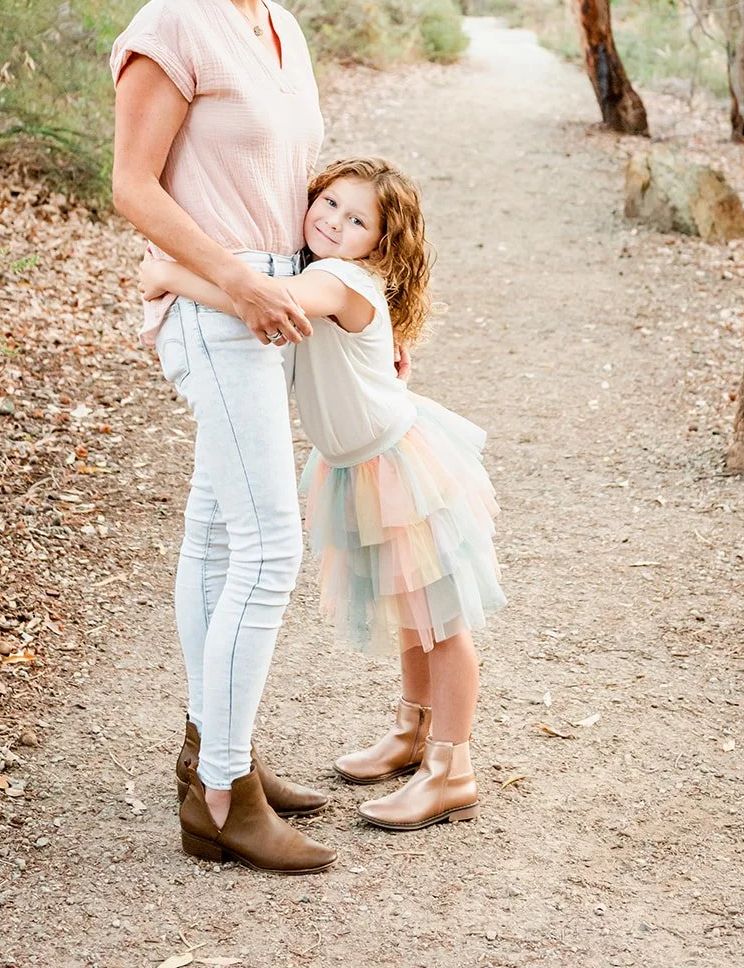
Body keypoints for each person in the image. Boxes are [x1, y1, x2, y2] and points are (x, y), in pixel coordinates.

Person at [142, 157, 506, 833]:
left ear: (381, 241)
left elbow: (264, 304)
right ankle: (412, 730)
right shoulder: (334, 273)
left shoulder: (336, 278)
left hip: (399, 466)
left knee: (441, 619)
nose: (335, 221)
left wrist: (169, 275)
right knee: (411, 609)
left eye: (358, 218)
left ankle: (451, 767)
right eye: (330, 203)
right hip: (360, 465)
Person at [111, 0, 337, 876]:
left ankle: (216, 750)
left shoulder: (281, 25)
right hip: (217, 303)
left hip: (279, 298)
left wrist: (346, 305)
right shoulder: (171, 26)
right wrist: (235, 281)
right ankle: (224, 799)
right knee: (270, 546)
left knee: (215, 535)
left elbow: (298, 177)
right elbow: (133, 187)